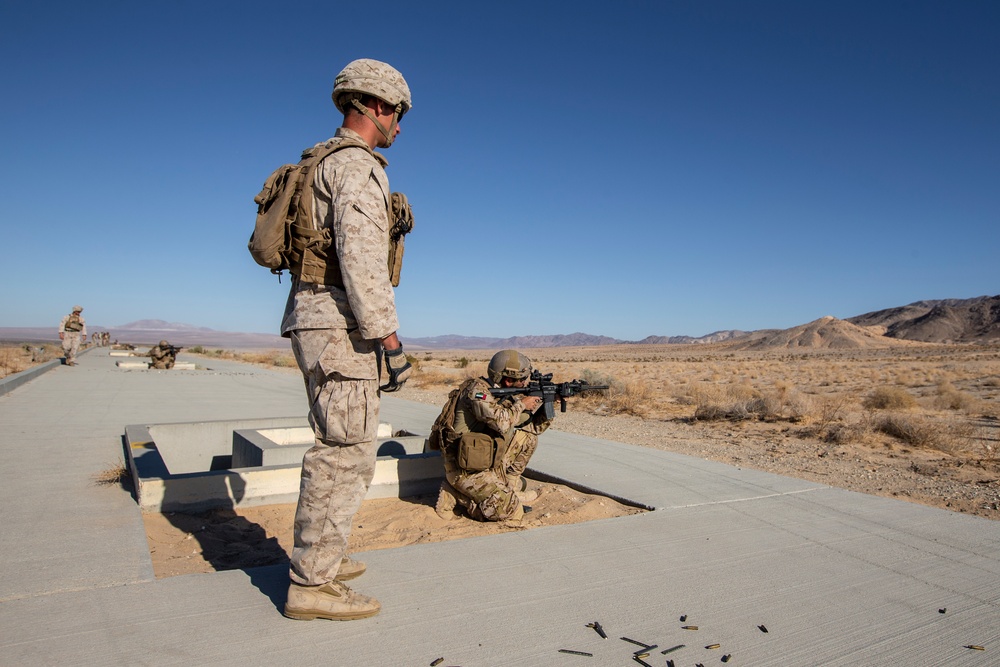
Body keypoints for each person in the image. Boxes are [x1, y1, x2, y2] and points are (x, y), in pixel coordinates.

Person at [280, 58, 414, 622]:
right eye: (398, 115)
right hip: (340, 325)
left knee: (344, 444)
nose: (400, 128)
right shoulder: (356, 166)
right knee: (344, 452)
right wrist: (389, 338)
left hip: (317, 318)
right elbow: (361, 261)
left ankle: (325, 556)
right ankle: (313, 583)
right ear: (376, 107)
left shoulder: (320, 160)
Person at [432, 350, 552, 523]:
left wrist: (550, 402)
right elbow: (501, 422)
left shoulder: (505, 394)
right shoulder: (477, 392)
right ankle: (458, 496)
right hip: (464, 469)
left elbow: (533, 427)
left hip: (484, 460)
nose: (525, 382)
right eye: (522, 379)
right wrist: (521, 405)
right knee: (512, 512)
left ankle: (508, 489)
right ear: (508, 379)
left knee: (528, 438)